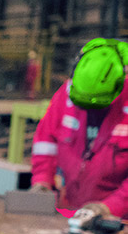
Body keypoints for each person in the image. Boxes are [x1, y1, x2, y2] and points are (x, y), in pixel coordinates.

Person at [30, 39, 128, 223]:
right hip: (74, 212)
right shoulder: (67, 93)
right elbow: (45, 141)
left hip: (119, 222)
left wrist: (110, 207)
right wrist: (42, 181)